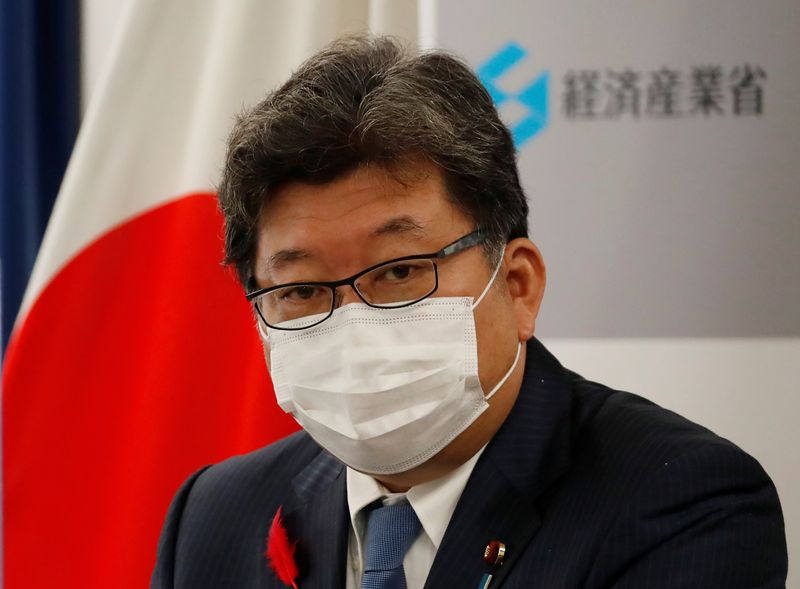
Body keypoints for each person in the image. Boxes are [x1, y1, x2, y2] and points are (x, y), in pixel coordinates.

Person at [150, 35, 787, 589]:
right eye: (302, 290)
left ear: (517, 285)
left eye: (399, 272)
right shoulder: (215, 514)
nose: (351, 323)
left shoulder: (680, 501)